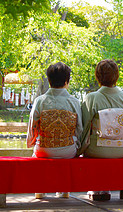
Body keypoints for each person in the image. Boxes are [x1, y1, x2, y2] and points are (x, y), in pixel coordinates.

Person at [79, 59, 123, 200]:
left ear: (97, 76)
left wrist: (79, 147)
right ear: (117, 76)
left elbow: (84, 127)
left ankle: (97, 188)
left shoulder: (91, 98)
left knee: (90, 147)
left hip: (97, 149)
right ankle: (104, 187)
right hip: (122, 148)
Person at [27, 62, 83, 199]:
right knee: (67, 149)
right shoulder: (74, 102)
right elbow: (80, 129)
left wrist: (31, 142)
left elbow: (32, 126)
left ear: (49, 80)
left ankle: (40, 189)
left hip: (44, 149)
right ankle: (64, 190)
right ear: (66, 81)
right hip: (68, 149)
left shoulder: (40, 101)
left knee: (37, 152)